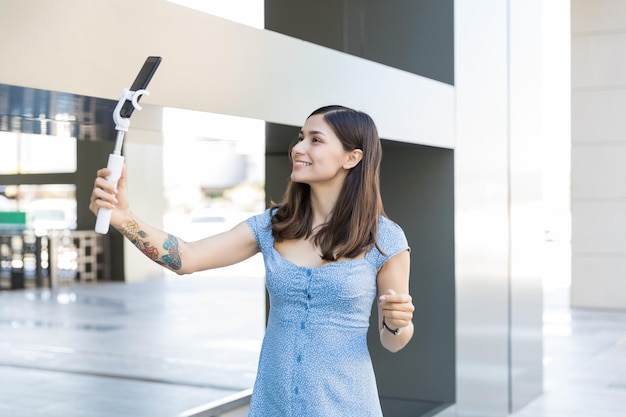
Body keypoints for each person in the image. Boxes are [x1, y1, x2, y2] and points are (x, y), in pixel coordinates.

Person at [89, 104, 415, 416]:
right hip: (273, 404)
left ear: (352, 157)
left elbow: (393, 341)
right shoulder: (271, 226)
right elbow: (186, 258)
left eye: (315, 139)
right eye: (300, 137)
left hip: (345, 404)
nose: (299, 148)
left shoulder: (385, 239)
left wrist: (397, 323)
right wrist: (124, 219)